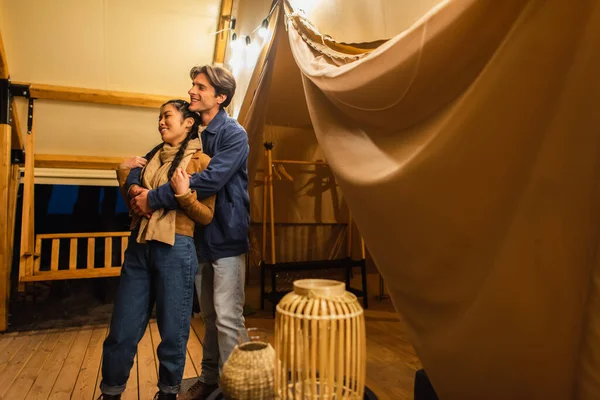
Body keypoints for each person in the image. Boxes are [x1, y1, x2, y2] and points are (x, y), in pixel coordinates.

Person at [126, 65, 250, 400]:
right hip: (197, 239)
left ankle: (240, 387)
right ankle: (210, 379)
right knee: (208, 315)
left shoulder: (234, 135)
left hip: (225, 236)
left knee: (227, 316)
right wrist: (134, 177)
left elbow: (209, 179)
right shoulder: (191, 133)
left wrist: (154, 197)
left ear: (220, 97)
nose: (192, 91)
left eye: (201, 87)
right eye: (193, 85)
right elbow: (160, 168)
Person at [99, 99, 216, 400]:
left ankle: (167, 393)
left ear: (188, 122)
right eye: (159, 118)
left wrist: (184, 196)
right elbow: (134, 205)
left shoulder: (201, 162)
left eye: (167, 116)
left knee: (173, 332)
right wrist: (123, 174)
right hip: (138, 246)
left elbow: (206, 215)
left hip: (176, 249)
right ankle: (110, 392)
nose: (161, 122)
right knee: (122, 329)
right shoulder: (149, 160)